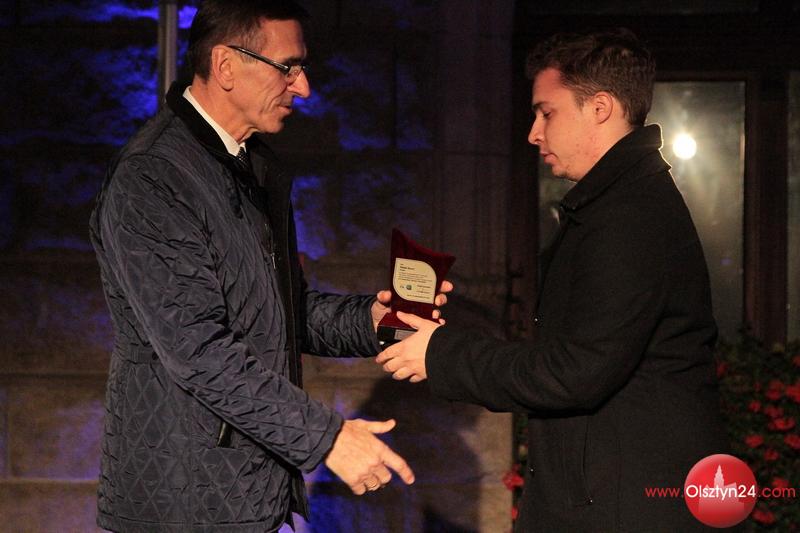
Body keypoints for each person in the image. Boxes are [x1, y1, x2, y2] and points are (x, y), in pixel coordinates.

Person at [89, 1, 451, 531]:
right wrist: (327, 439)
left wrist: (375, 322)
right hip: (183, 504)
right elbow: (198, 349)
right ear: (225, 65)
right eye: (288, 67)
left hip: (255, 493)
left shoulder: (252, 165)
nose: (303, 87)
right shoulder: (152, 178)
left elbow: (281, 313)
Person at [377, 28, 729, 531]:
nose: (533, 132)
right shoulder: (614, 204)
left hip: (625, 508)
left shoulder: (629, 215)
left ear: (600, 108)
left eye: (547, 112)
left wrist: (441, 353)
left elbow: (575, 372)